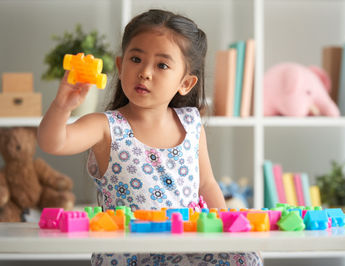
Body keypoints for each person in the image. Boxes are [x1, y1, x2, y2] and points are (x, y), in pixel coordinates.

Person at [38, 9, 263, 266]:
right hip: (130, 250)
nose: (145, 71)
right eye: (136, 59)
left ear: (186, 83)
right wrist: (62, 105)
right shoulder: (105, 126)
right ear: (120, 66)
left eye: (162, 65)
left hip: (188, 245)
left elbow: (206, 184)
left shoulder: (191, 123)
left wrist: (227, 230)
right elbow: (51, 142)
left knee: (245, 256)